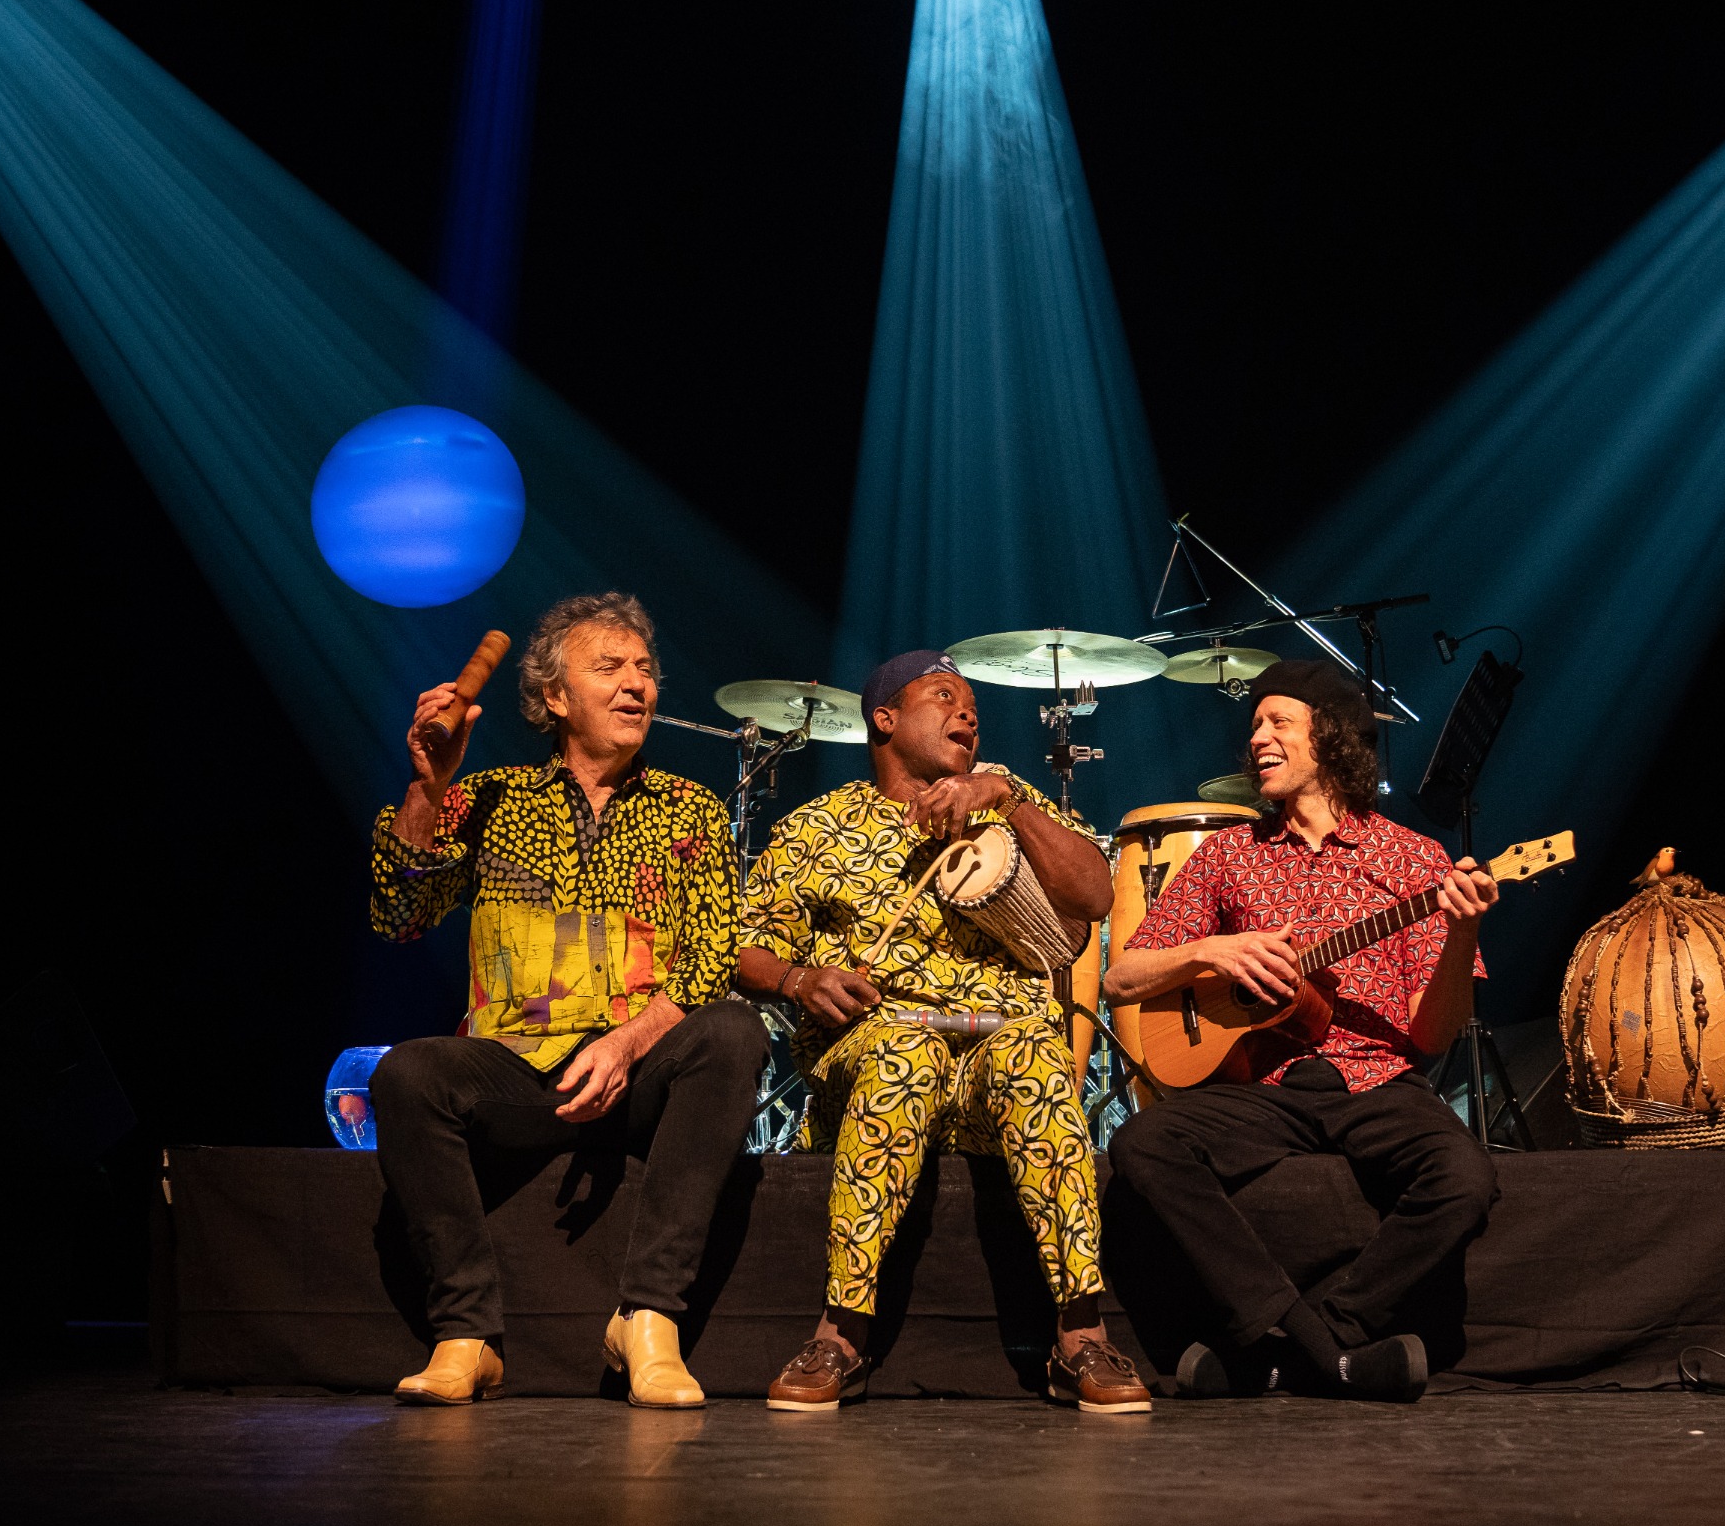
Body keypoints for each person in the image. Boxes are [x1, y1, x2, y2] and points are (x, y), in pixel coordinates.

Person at [366, 592, 766, 1408]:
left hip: (639, 1073)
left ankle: (647, 1320)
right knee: (407, 1072)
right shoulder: (488, 800)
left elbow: (709, 961)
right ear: (554, 696)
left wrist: (624, 1044)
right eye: (609, 668)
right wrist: (429, 787)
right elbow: (398, 916)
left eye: (645, 669)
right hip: (519, 1068)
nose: (636, 684)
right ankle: (466, 1336)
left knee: (733, 1029)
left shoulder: (691, 809)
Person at [733, 651, 1150, 1413]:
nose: (967, 713)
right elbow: (744, 949)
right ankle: (840, 1334)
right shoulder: (818, 828)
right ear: (884, 719)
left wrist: (1010, 799)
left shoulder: (1008, 805)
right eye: (943, 696)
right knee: (906, 1048)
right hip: (880, 1047)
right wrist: (799, 979)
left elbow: (1095, 895)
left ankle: (1081, 1339)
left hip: (994, 1049)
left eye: (973, 706)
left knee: (1034, 1052)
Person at [1101, 659, 1500, 1401]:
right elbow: (1121, 978)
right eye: (1254, 724)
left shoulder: (1414, 859)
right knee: (1142, 1145)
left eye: (1278, 721)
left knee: (1465, 1179)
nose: (1257, 737)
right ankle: (1332, 1355)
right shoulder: (1229, 854)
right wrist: (1209, 951)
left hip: (1376, 1081)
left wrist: (1462, 933)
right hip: (1265, 1085)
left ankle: (1302, 1342)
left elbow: (1433, 1036)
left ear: (1332, 738)